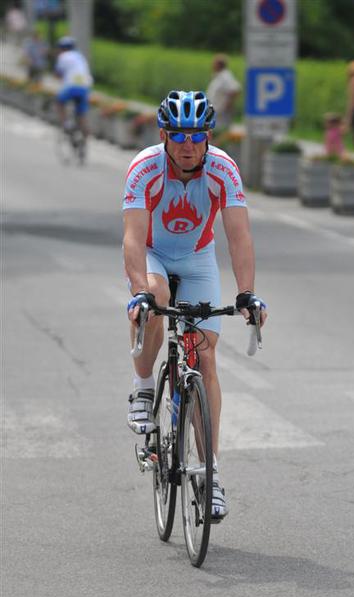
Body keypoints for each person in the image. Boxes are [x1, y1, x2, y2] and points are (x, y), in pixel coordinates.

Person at [123, 90, 267, 521]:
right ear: (163, 135)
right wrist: (139, 291)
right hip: (153, 254)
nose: (189, 145)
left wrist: (246, 292)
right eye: (180, 135)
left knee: (205, 358)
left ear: (209, 137)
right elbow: (133, 237)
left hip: (197, 256)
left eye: (197, 136)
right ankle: (143, 386)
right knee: (157, 299)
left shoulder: (223, 168)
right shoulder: (145, 167)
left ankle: (211, 475)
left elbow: (239, 236)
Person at [54, 36, 93, 138]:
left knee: (59, 102)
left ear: (62, 48)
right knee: (81, 112)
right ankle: (85, 133)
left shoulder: (63, 56)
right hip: (85, 86)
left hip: (71, 86)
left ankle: (66, 124)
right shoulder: (80, 56)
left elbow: (58, 74)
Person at [207, 54, 241, 133]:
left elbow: (235, 90)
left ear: (219, 65)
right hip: (215, 112)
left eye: (214, 63)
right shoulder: (219, 75)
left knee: (220, 132)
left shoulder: (226, 76)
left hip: (221, 113)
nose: (212, 65)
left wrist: (227, 105)